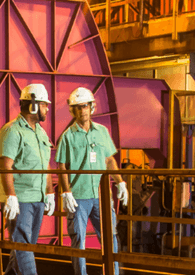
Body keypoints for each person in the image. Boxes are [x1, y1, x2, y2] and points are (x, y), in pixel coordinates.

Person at [55, 87, 128, 275]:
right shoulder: (67, 137)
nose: (82, 111)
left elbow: (109, 160)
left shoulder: (102, 132)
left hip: (101, 196)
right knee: (78, 239)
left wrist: (120, 182)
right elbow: (61, 166)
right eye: (78, 107)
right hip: (78, 197)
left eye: (85, 106)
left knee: (110, 237)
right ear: (73, 110)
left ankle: (113, 273)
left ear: (92, 107)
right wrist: (67, 192)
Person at [0, 83, 55, 275]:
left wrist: (50, 193)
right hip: (21, 199)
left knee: (25, 245)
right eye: (45, 104)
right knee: (23, 244)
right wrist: (11, 196)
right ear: (33, 105)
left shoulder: (40, 132)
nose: (47, 108)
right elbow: (5, 165)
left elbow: (45, 165)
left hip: (37, 197)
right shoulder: (12, 131)